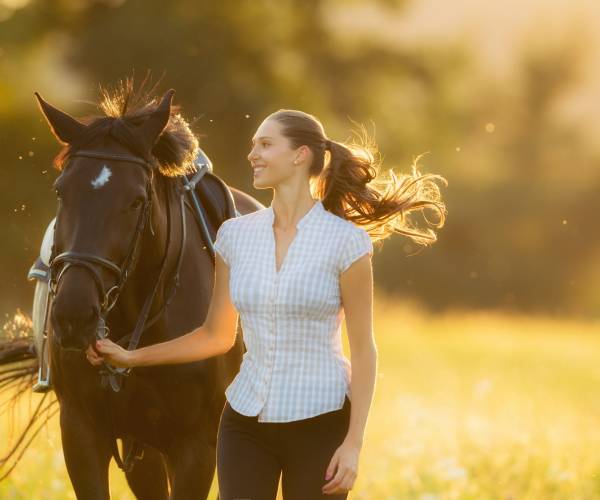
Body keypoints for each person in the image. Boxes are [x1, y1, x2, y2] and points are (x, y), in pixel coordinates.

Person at [86, 109, 447, 498]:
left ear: (300, 155)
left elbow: (363, 350)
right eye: (253, 145)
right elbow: (215, 336)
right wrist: (131, 357)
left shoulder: (346, 242)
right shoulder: (234, 236)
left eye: (265, 144)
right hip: (245, 423)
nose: (252, 154)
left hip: (321, 423)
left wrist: (353, 444)